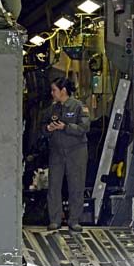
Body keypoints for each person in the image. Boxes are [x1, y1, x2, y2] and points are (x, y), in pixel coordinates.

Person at [42, 77, 90, 232]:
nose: (52, 93)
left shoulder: (78, 107)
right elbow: (42, 127)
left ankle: (74, 220)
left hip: (76, 152)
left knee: (76, 186)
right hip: (57, 152)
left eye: (54, 90)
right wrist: (48, 129)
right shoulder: (52, 109)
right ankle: (54, 220)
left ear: (63, 90)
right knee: (54, 186)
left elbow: (84, 128)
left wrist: (66, 127)